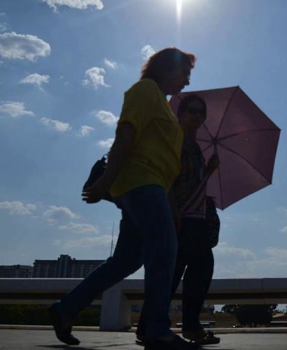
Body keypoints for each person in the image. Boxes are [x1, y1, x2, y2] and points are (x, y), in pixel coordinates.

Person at [49, 47, 200, 350]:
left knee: (127, 260)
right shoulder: (144, 90)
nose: (186, 82)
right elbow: (125, 136)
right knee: (163, 250)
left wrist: (171, 204)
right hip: (140, 182)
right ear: (167, 69)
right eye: (184, 73)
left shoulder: (162, 104)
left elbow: (162, 161)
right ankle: (157, 330)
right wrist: (105, 181)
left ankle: (66, 308)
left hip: (152, 185)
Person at [136, 95, 221, 345]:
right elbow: (166, 176)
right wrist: (171, 209)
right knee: (176, 272)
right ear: (180, 114)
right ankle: (157, 327)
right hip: (178, 216)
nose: (196, 116)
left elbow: (191, 181)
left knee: (195, 269)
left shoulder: (195, 148)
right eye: (191, 111)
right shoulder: (175, 141)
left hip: (195, 218)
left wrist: (209, 171)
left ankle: (174, 326)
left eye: (200, 112)